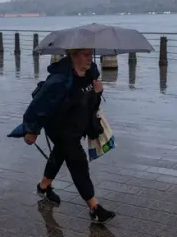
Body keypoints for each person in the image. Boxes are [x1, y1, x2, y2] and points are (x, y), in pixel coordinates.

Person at [21, 48, 116, 224]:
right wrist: (31, 131)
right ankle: (94, 208)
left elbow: (90, 101)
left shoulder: (91, 73)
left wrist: (98, 92)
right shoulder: (59, 80)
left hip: (77, 127)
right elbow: (38, 106)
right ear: (73, 55)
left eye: (90, 54)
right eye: (85, 54)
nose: (89, 58)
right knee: (77, 162)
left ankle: (43, 187)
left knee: (59, 154)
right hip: (59, 127)